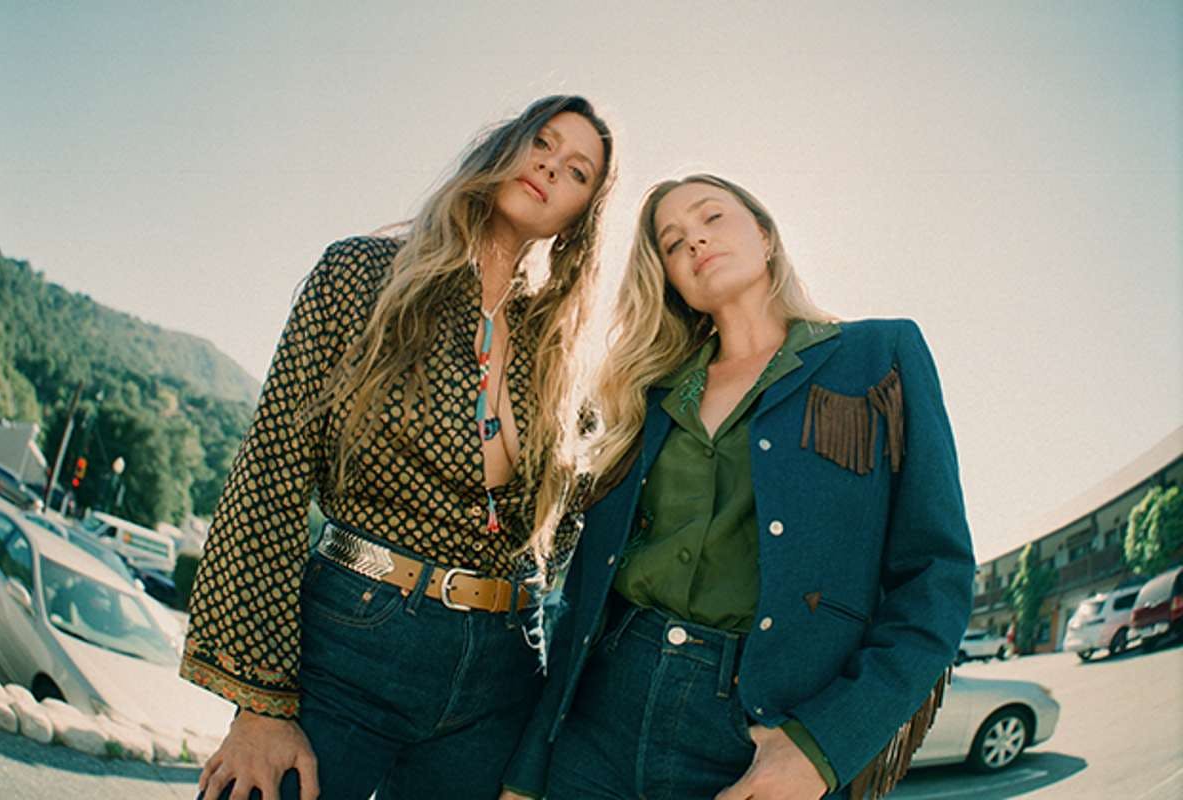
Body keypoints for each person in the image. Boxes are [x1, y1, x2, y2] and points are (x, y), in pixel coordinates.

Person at [181, 95, 614, 800]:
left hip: (497, 679)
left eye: (576, 171)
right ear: (505, 145)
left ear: (578, 219)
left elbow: (561, 541)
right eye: (542, 142)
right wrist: (260, 703)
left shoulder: (562, 355)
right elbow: (272, 469)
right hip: (350, 642)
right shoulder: (362, 276)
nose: (549, 166)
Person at [501, 174, 975, 800]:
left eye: (712, 217)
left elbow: (936, 579)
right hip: (602, 716)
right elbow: (583, 592)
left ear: (766, 236)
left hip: (759, 734)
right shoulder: (647, 395)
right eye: (673, 243)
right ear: (671, 280)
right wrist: (529, 770)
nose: (695, 241)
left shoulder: (878, 355)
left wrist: (822, 749)